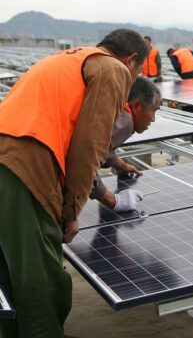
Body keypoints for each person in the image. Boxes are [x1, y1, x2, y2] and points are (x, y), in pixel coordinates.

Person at [0, 29, 148, 338]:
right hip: (24, 165)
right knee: (42, 280)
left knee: (9, 271)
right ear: (131, 59)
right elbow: (89, 145)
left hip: (7, 158)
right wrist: (71, 210)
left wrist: (116, 163)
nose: (132, 81)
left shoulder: (70, 58)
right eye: (137, 73)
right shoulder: (113, 69)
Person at [90, 77, 161, 211]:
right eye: (154, 110)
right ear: (137, 106)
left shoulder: (116, 110)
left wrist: (119, 165)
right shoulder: (125, 123)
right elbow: (82, 163)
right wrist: (113, 200)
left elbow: (101, 146)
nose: (153, 119)